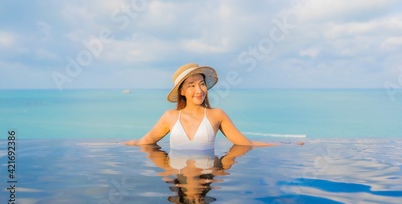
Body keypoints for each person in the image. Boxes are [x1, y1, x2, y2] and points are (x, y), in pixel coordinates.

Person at [125, 63, 302, 148]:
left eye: (201, 83)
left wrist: (285, 144)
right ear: (182, 91)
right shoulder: (170, 117)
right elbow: (145, 142)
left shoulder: (217, 115)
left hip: (207, 178)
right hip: (178, 179)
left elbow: (244, 143)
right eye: (191, 85)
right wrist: (166, 171)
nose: (199, 90)